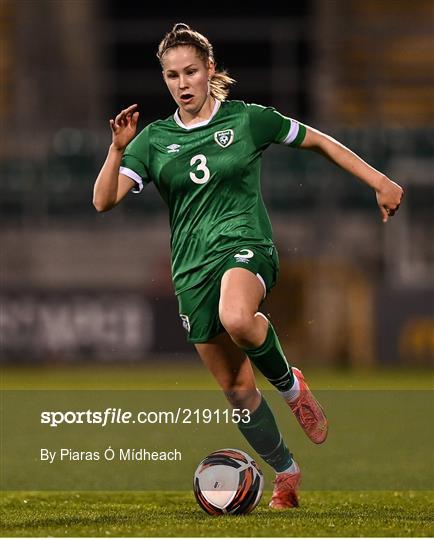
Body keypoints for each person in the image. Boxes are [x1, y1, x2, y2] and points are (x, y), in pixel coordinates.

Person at [93, 23, 404, 509]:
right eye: (172, 75)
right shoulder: (154, 139)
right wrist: (116, 149)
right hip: (191, 270)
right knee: (237, 391)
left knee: (238, 318)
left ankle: (290, 385)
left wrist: (380, 181)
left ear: (210, 70)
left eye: (191, 71)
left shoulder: (247, 120)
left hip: (245, 245)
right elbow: (103, 200)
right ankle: (286, 472)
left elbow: (320, 140)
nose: (182, 83)